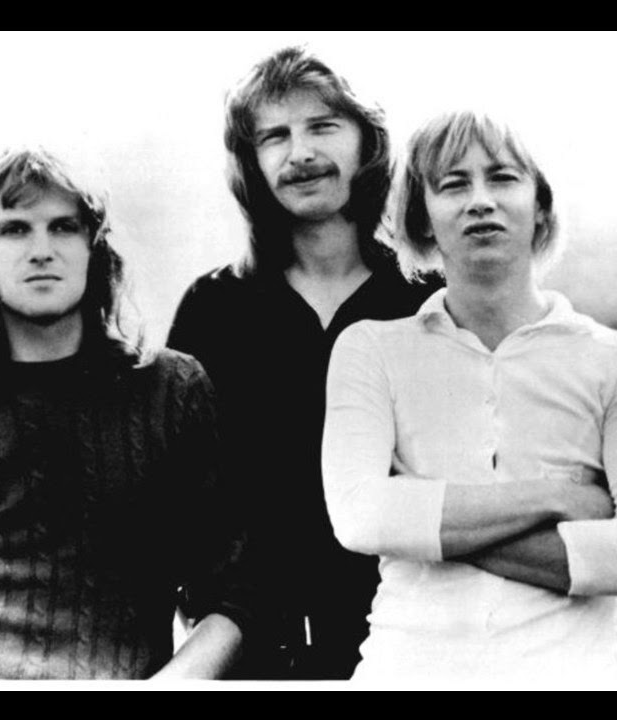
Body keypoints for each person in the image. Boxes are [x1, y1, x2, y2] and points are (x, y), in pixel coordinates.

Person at [321, 111, 617, 681]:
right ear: (422, 218)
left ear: (541, 205)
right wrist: (556, 497)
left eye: (503, 178)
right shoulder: (370, 351)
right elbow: (359, 518)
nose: (480, 201)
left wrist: (420, 519)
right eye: (454, 184)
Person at [166, 47, 440, 679]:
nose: (301, 153)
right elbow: (179, 497)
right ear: (251, 162)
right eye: (275, 136)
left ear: (366, 142)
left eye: (323, 126)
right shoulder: (214, 309)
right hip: (251, 646)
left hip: (408, 640)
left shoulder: (425, 301)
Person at [0, 148, 252, 679]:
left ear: (95, 249)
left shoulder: (171, 390)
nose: (41, 251)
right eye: (15, 229)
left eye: (63, 227)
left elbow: (232, 595)